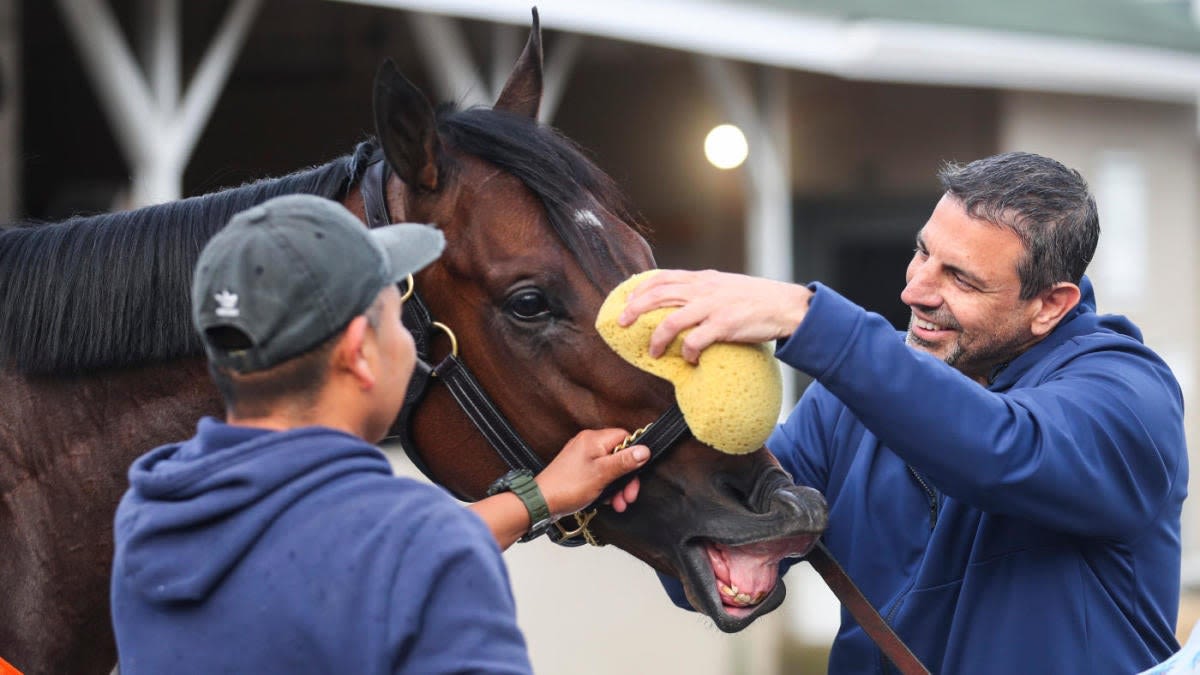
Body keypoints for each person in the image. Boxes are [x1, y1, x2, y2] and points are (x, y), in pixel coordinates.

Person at [622, 152, 1188, 674]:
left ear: (1050, 306)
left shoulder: (1129, 395)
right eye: (922, 252)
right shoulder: (848, 399)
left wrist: (806, 318)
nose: (915, 290)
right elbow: (726, 519)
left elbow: (1003, 451)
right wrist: (648, 478)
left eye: (960, 277)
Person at [110, 194, 649, 674]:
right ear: (358, 352)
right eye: (395, 319)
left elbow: (334, 559)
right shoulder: (422, 553)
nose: (409, 344)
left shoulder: (151, 513)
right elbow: (388, 558)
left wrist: (540, 498)